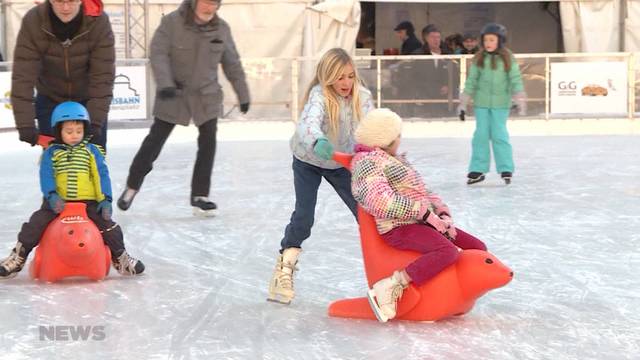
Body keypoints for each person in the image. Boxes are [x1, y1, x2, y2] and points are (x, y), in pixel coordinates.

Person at [350, 108, 487, 322]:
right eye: (397, 136)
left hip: (422, 223)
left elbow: (424, 192)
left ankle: (456, 295)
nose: (400, 140)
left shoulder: (395, 159)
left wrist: (442, 213)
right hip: (399, 227)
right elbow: (379, 201)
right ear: (386, 139)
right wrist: (424, 214)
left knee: (477, 248)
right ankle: (393, 284)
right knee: (447, 251)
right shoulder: (368, 163)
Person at [116, 0, 250, 216]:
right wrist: (165, 83)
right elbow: (158, 53)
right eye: (205, 2)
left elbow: (232, 63)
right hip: (174, 93)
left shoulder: (221, 28)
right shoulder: (171, 23)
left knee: (208, 144)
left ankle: (200, 195)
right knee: (153, 143)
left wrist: (243, 94)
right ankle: (132, 187)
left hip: (206, 96)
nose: (209, 8)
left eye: (214, 3)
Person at [267, 48, 374, 305]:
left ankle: (387, 274)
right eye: (339, 77)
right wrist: (318, 141)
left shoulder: (363, 96)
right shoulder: (319, 96)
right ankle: (284, 268)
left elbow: (372, 126)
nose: (346, 83)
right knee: (304, 216)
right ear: (327, 78)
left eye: (350, 76)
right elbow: (307, 125)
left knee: (367, 214)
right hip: (309, 160)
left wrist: (380, 147)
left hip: (341, 163)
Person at [0, 102, 144, 279]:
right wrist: (51, 196)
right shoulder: (52, 152)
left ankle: (120, 258)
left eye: (78, 131)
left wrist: (105, 200)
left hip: (89, 202)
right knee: (35, 224)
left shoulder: (91, 151)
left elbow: (101, 175)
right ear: (59, 131)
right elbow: (47, 176)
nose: (74, 136)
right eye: (69, 131)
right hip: (58, 202)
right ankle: (18, 258)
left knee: (109, 227)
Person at [11, 0, 115, 150]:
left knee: (93, 162)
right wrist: (25, 124)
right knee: (56, 163)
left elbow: (103, 75)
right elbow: (23, 75)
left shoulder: (98, 21)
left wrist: (95, 121)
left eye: (71, 1)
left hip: (87, 100)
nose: (65, 8)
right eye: (59, 1)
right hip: (50, 99)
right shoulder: (34, 20)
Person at [457, 23, 526, 185]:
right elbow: (471, 81)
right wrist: (463, 103)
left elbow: (515, 79)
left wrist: (519, 98)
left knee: (499, 135)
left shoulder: (508, 57)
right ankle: (478, 169)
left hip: (501, 104)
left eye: (492, 40)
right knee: (480, 135)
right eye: (486, 40)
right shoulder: (479, 58)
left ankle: (505, 168)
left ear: (500, 41)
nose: (488, 43)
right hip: (481, 104)